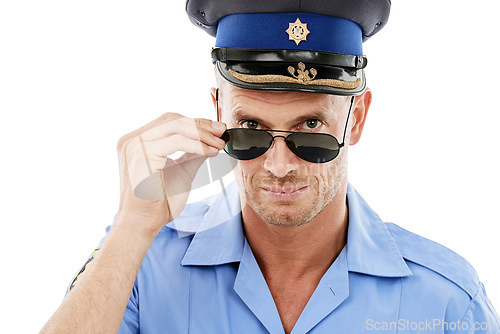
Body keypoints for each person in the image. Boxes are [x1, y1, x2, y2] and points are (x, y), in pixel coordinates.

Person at [41, 0, 500, 333]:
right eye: (251, 129)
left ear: (356, 119)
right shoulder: (141, 265)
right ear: (218, 115)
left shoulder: (447, 302)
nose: (279, 165)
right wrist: (132, 227)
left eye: (311, 128)